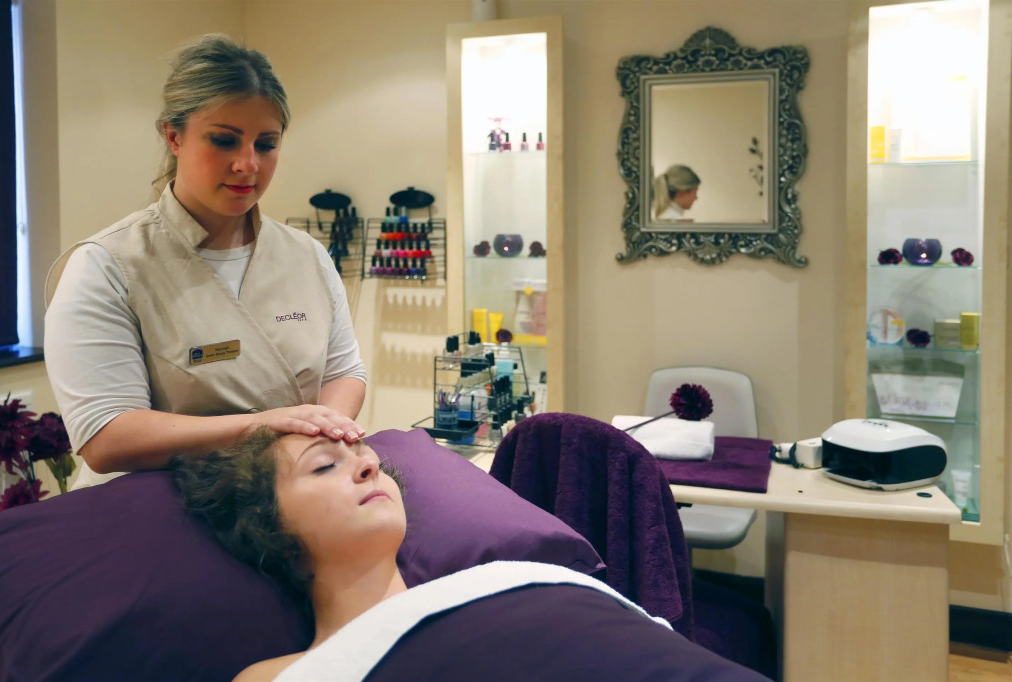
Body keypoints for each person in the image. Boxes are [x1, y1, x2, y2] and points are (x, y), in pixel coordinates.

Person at [173, 430, 771, 682]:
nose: (367, 466)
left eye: (367, 458)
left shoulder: (510, 581)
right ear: (271, 529)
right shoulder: (281, 675)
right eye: (324, 466)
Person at [43, 34, 366, 489]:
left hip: (291, 497)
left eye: (266, 144)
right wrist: (267, 427)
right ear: (173, 136)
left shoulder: (307, 255)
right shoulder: (108, 265)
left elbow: (344, 372)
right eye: (224, 140)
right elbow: (106, 436)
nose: (247, 164)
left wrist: (321, 440)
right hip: (161, 510)